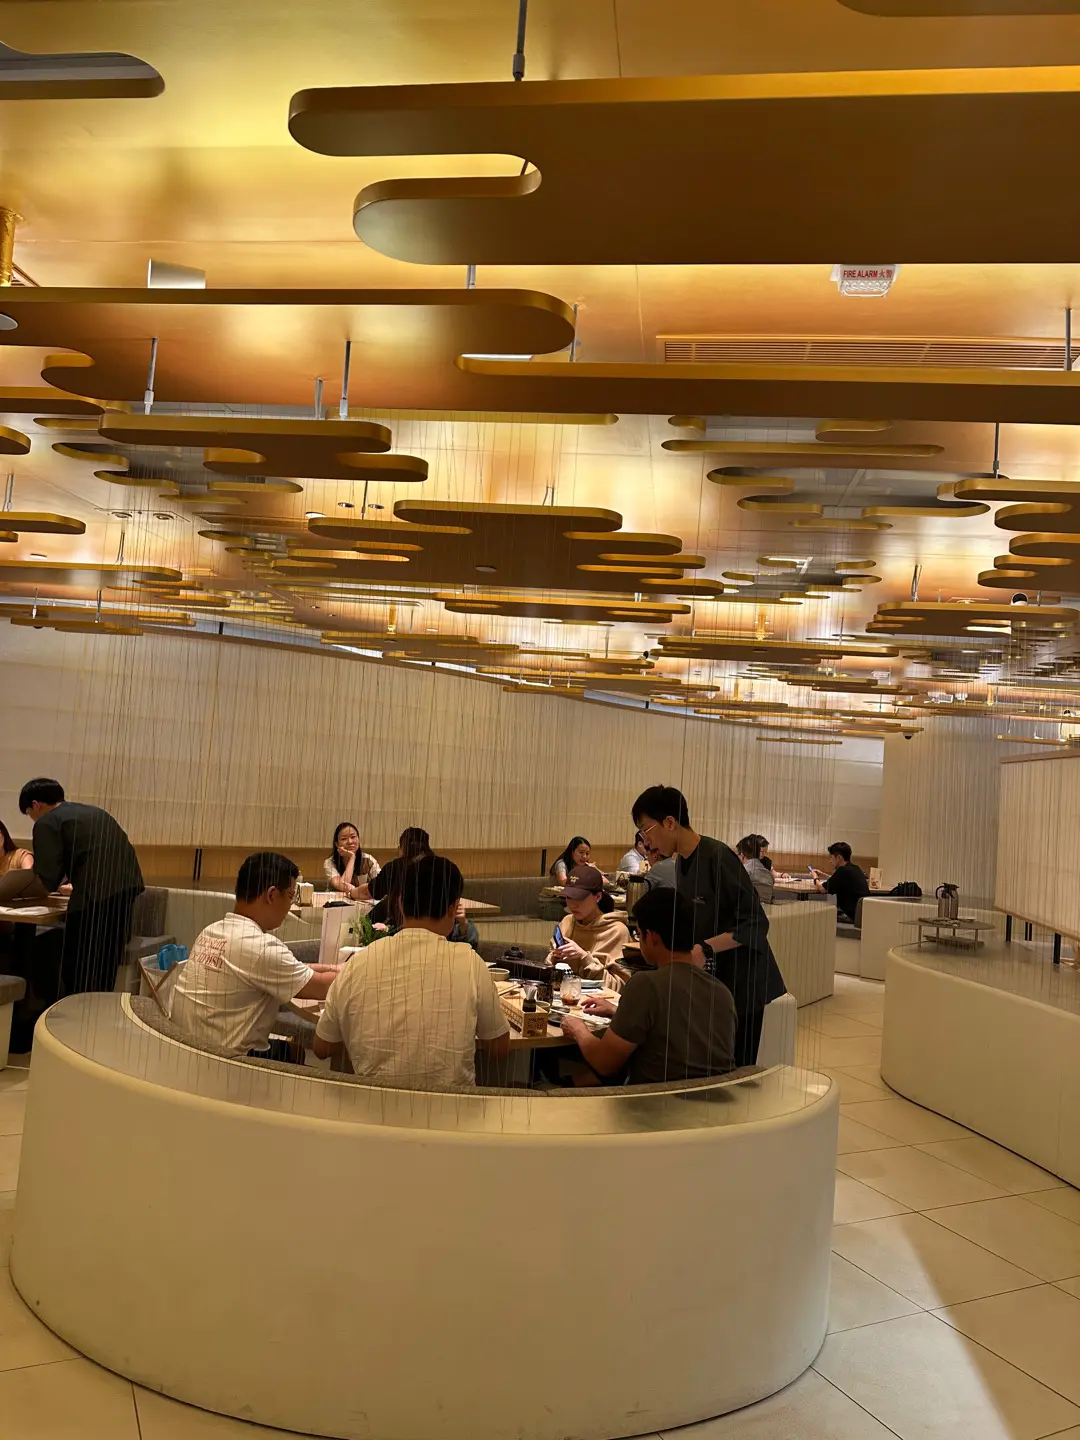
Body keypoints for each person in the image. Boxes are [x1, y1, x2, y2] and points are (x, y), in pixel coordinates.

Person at [313, 853, 510, 1087]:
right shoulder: (470, 963)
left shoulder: (358, 963)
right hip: (450, 1107)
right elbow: (498, 1047)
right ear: (453, 909)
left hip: (372, 1106)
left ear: (399, 903)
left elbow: (322, 1047)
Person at [631, 785, 786, 1068]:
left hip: (745, 981)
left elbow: (755, 923)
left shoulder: (719, 857)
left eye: (646, 830)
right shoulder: (681, 862)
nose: (647, 841)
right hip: (717, 982)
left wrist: (705, 948)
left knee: (736, 1069)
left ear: (670, 822)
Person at [169, 851, 340, 1058]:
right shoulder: (260, 948)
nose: (290, 905)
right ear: (271, 895)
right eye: (290, 896)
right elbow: (321, 987)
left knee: (293, 1052)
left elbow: (295, 970)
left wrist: (335, 968)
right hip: (226, 1064)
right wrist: (365, 967)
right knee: (297, 1054)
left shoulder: (212, 931)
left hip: (186, 1051)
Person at [561, 888, 736, 1084]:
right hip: (713, 1098)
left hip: (654, 1098)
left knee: (555, 1073)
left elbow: (605, 1063)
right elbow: (676, 1027)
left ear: (652, 937)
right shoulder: (721, 991)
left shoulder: (646, 984)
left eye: (638, 934)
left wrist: (578, 1029)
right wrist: (619, 1011)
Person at [19, 777, 145, 994]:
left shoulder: (47, 821)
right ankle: (99, 1005)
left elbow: (47, 874)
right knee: (107, 959)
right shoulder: (92, 812)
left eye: (29, 814)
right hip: (127, 885)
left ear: (36, 805)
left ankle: (72, 1008)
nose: (33, 820)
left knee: (79, 963)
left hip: (96, 893)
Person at [550, 863, 631, 989]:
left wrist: (585, 958)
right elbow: (549, 972)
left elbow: (620, 986)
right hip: (564, 994)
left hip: (599, 1000)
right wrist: (553, 959)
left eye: (580, 898)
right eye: (569, 897)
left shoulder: (617, 931)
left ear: (597, 897)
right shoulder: (567, 922)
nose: (573, 904)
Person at [368, 827, 431, 924]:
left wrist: (352, 892)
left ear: (402, 848)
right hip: (438, 926)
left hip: (402, 923)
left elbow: (372, 891)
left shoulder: (395, 867)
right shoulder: (442, 867)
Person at [812, 842, 870, 923]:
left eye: (831, 857)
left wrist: (815, 877)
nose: (830, 861)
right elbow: (839, 880)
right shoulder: (855, 868)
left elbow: (823, 889)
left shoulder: (842, 871)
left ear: (838, 857)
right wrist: (822, 874)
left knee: (817, 916)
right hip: (861, 915)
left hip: (849, 915)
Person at [324, 821, 380, 900]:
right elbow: (343, 886)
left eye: (353, 837)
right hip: (336, 903)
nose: (350, 842)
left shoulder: (369, 861)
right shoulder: (330, 863)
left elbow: (380, 884)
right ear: (336, 844)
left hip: (363, 903)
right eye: (344, 839)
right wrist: (352, 857)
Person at [736, 834, 775, 904]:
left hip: (745, 909)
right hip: (766, 909)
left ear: (741, 855)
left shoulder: (742, 872)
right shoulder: (769, 875)